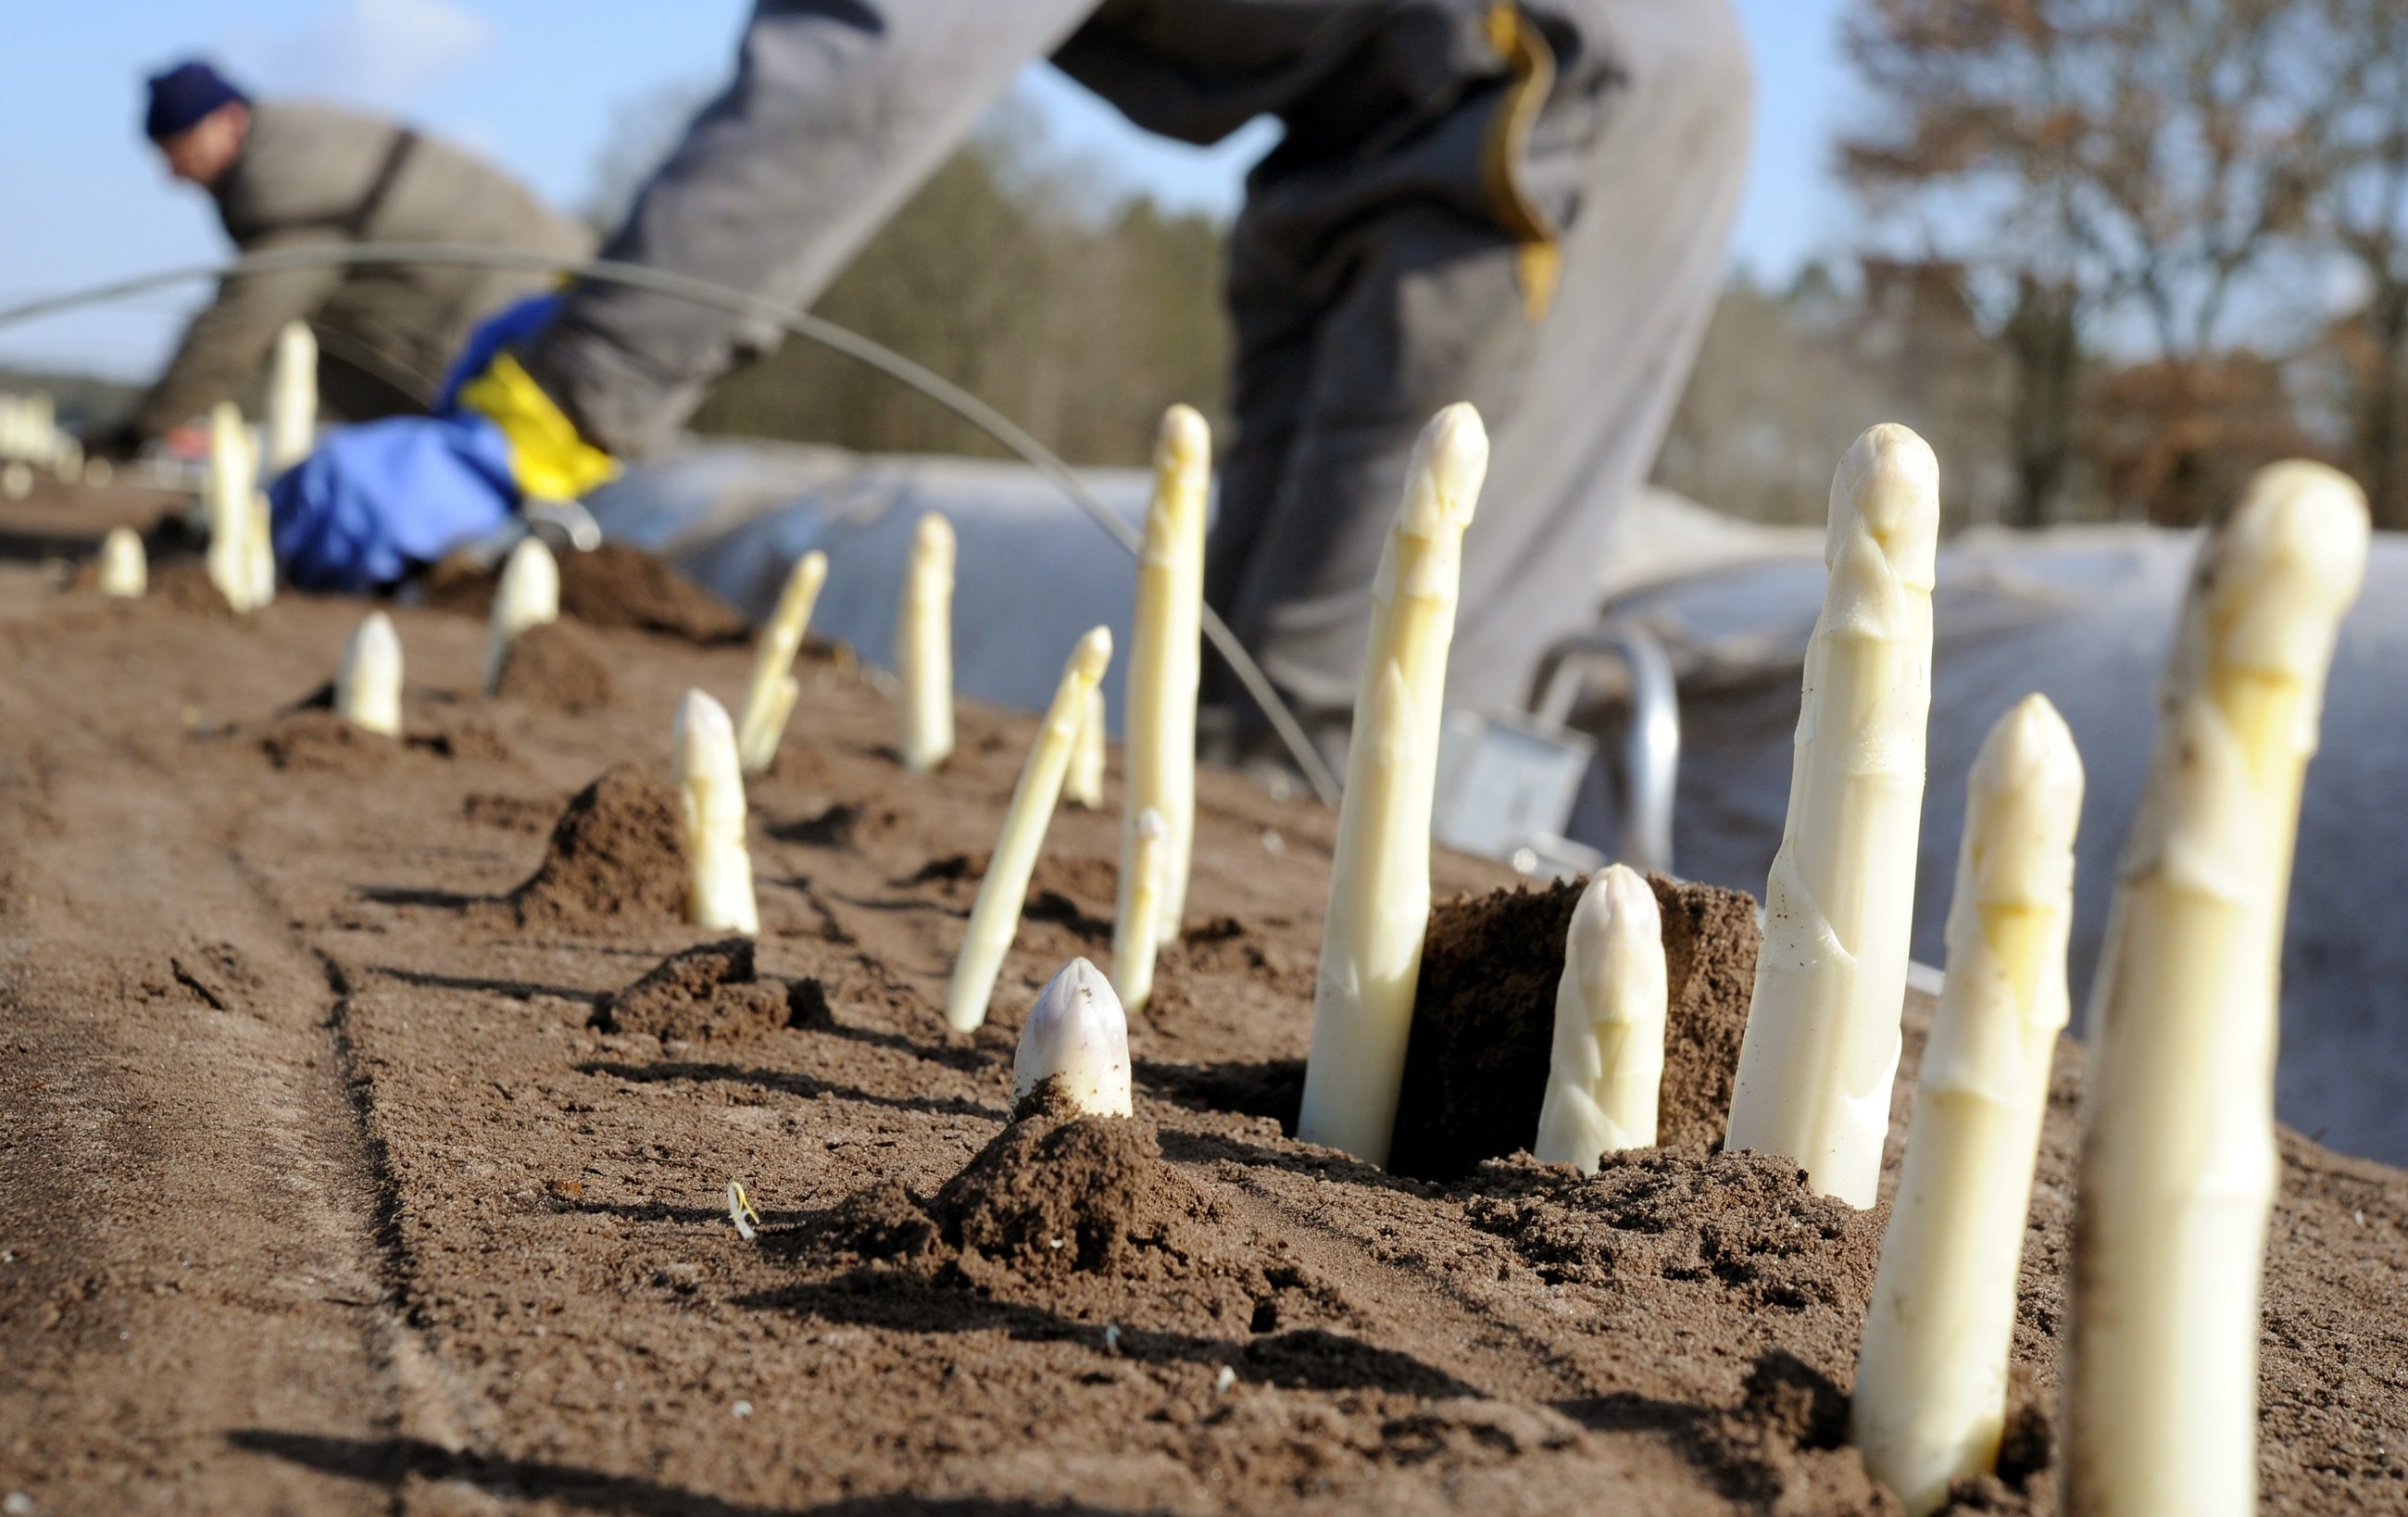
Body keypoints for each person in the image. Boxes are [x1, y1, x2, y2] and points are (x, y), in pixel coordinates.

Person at [277, 2, 1751, 755]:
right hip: (1364, 128)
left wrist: (559, 409)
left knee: (1360, 703)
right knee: (1227, 695)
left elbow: (855, 78)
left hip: (1555, 100)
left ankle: (1392, 1149)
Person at [91, 60, 592, 459]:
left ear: (226, 121)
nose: (174, 174)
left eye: (178, 150)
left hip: (523, 322)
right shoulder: (302, 143)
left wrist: (140, 429)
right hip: (548, 284)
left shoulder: (285, 184)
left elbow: (239, 327)